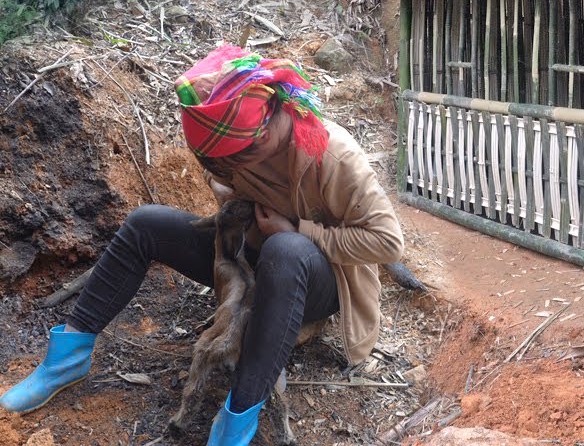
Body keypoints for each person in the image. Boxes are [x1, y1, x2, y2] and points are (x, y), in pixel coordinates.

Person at [0, 44, 404, 446]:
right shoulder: (226, 152)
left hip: (320, 279)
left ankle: (240, 414)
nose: (233, 169)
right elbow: (229, 195)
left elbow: (388, 241)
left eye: (242, 157)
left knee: (286, 250)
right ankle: (66, 359)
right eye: (222, 162)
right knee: (145, 224)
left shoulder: (331, 153)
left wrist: (300, 231)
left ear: (269, 123)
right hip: (256, 262)